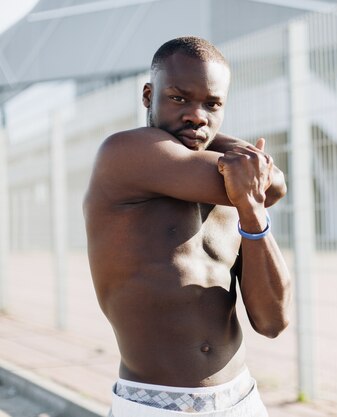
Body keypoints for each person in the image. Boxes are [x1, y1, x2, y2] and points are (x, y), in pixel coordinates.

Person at [83, 36, 291, 417]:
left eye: (212, 104)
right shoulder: (124, 153)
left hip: (242, 399)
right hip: (153, 405)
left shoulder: (236, 197)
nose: (197, 115)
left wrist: (252, 213)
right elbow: (269, 182)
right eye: (179, 98)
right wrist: (250, 179)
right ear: (148, 95)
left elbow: (273, 322)